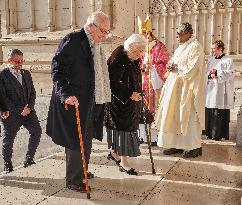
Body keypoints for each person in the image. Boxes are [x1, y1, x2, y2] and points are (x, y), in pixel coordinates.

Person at [46, 11, 111, 192]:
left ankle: (82, 170)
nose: (105, 35)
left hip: (90, 99)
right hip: (73, 100)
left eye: (107, 31)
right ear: (91, 26)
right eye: (103, 31)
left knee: (87, 137)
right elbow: (57, 68)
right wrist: (66, 94)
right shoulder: (74, 40)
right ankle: (73, 179)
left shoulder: (95, 44)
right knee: (76, 139)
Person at [154, 22, 205, 158]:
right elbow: (173, 64)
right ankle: (177, 145)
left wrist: (176, 68)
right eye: (176, 33)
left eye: (179, 33)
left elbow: (194, 68)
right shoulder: (180, 48)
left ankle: (194, 147)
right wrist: (170, 65)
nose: (177, 35)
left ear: (188, 33)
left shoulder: (196, 47)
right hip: (175, 88)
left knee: (188, 117)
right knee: (174, 116)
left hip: (187, 88)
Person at [104, 34, 147, 175]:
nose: (140, 54)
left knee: (122, 129)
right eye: (138, 51)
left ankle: (115, 153)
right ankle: (124, 162)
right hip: (119, 102)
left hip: (130, 101)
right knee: (123, 130)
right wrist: (129, 94)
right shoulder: (118, 58)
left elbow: (134, 77)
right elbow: (112, 82)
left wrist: (138, 92)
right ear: (130, 47)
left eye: (142, 51)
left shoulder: (131, 56)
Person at [0, 49, 42, 173]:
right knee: (8, 140)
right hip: (10, 114)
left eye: (21, 61)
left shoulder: (26, 73)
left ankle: (29, 158)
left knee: (37, 131)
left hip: (28, 112)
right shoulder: (2, 76)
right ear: (9, 60)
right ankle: (8, 164)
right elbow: (3, 98)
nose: (20, 64)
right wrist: (19, 110)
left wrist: (30, 107)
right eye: (16, 61)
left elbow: (32, 92)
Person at [138, 16, 170, 145]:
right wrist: (142, 66)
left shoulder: (159, 47)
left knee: (155, 110)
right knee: (143, 109)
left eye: (145, 34)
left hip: (155, 84)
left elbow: (165, 63)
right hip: (144, 82)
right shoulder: (143, 48)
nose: (143, 37)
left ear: (149, 33)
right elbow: (139, 63)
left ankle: (155, 138)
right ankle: (143, 137)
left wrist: (154, 66)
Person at [205, 40, 234, 141]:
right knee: (210, 111)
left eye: (213, 48)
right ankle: (209, 133)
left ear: (220, 48)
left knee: (219, 112)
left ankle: (218, 135)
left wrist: (217, 73)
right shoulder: (210, 60)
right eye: (212, 48)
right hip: (210, 90)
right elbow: (206, 73)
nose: (212, 51)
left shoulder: (228, 60)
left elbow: (230, 73)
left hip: (221, 91)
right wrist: (209, 74)